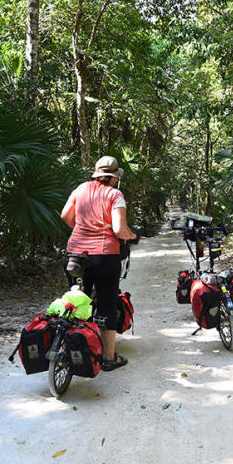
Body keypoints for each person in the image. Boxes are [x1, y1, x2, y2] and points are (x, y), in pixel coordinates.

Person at [60, 155, 137, 371]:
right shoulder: (115, 195)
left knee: (76, 301)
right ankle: (109, 358)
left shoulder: (80, 189)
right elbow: (119, 229)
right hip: (104, 256)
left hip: (75, 254)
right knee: (106, 305)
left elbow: (66, 217)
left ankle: (72, 350)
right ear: (113, 178)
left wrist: (84, 229)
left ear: (96, 174)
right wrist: (131, 236)